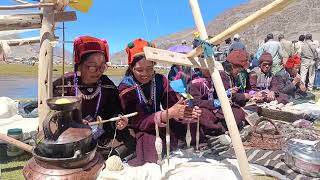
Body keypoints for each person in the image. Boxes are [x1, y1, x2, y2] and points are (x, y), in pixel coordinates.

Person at [118, 38, 202, 166]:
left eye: (150, 68)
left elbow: (173, 103)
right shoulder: (126, 89)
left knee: (196, 122)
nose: (145, 74)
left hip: (161, 121)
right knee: (152, 148)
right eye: (139, 70)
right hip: (140, 128)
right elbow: (138, 121)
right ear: (131, 67)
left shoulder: (160, 80)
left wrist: (186, 111)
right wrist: (168, 114)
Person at [53, 36, 135, 159]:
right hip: (69, 132)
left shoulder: (107, 85)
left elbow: (113, 110)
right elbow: (54, 114)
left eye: (102, 66)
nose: (98, 71)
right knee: (61, 145)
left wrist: (117, 121)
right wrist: (76, 123)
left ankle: (96, 154)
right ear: (79, 65)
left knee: (130, 138)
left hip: (99, 132)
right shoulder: (65, 84)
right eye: (92, 66)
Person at [188, 50, 249, 135]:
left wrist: (227, 93)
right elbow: (197, 102)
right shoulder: (194, 83)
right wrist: (215, 103)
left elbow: (217, 94)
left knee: (237, 111)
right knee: (202, 115)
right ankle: (219, 129)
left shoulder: (214, 78)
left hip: (216, 109)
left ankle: (221, 127)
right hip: (204, 108)